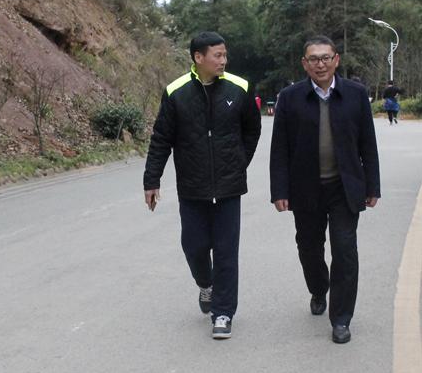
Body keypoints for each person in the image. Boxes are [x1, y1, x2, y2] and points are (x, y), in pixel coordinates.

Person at [143, 31, 261, 340]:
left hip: (229, 188)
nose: (223, 60)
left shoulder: (240, 87)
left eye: (225, 55)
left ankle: (223, 313)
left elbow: (252, 130)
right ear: (198, 57)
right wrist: (151, 180)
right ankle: (205, 285)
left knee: (226, 252)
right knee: (194, 246)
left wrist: (238, 162)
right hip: (192, 188)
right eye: (217, 55)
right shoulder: (176, 92)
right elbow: (161, 139)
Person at [269, 36, 380, 344]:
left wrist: (372, 185)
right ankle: (319, 289)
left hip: (344, 188)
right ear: (304, 64)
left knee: (345, 251)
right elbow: (279, 149)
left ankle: (341, 318)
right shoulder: (289, 98)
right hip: (306, 188)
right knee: (309, 249)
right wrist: (279, 190)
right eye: (314, 59)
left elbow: (368, 144)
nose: (320, 64)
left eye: (325, 58)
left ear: (336, 60)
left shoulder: (356, 94)